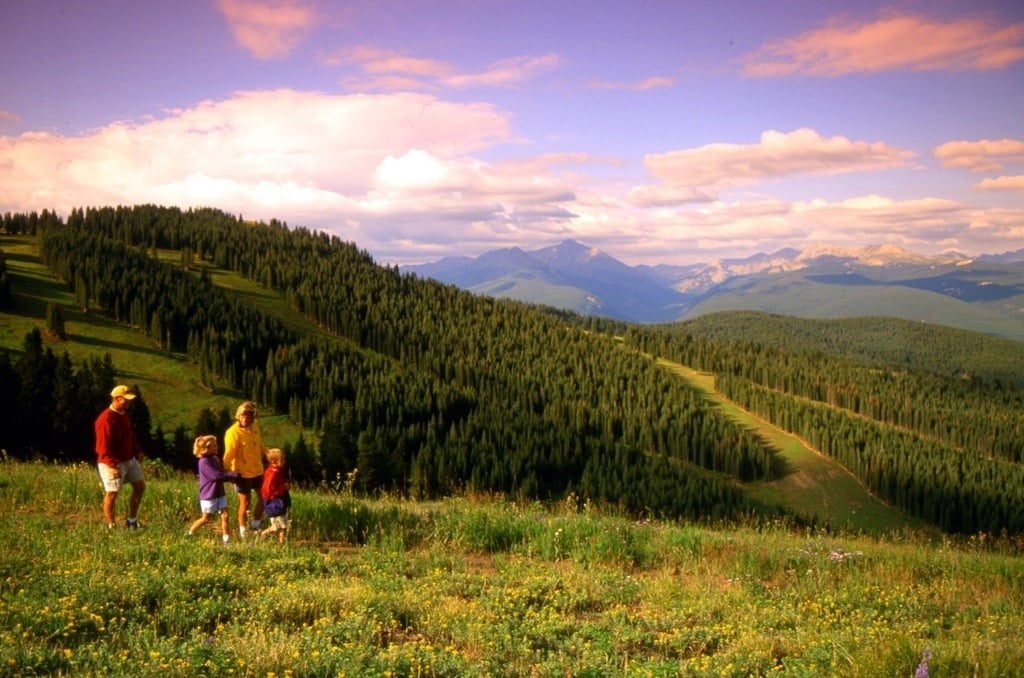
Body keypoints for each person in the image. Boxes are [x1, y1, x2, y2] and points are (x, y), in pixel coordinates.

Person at [94, 384, 146, 530]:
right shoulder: (106, 419)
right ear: (116, 398)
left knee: (140, 486)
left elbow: (130, 435)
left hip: (129, 459)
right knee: (112, 493)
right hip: (112, 462)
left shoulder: (124, 415)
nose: (129, 402)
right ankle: (112, 526)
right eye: (126, 399)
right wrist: (111, 466)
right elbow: (103, 446)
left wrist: (138, 451)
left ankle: (132, 521)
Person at [222, 401, 267, 539]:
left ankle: (255, 524)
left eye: (249, 416)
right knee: (245, 502)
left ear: (253, 417)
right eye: (243, 416)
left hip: (258, 470)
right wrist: (225, 472)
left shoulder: (254, 427)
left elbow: (259, 445)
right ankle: (243, 531)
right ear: (238, 416)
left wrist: (269, 454)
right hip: (242, 473)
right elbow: (229, 454)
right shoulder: (232, 432)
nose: (246, 419)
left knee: (264, 498)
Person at [187, 435, 239, 543]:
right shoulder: (203, 462)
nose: (217, 447)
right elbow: (216, 475)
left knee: (225, 515)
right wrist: (233, 476)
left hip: (219, 492)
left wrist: (229, 477)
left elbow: (221, 473)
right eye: (214, 446)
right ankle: (190, 533)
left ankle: (226, 539)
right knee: (206, 518)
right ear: (206, 448)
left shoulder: (215, 458)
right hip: (208, 494)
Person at [260, 447, 291, 543]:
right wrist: (283, 488)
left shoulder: (277, 471)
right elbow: (268, 490)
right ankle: (263, 534)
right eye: (282, 460)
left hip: (280, 501)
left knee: (283, 525)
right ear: (274, 461)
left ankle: (282, 544)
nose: (284, 462)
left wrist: (285, 482)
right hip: (274, 503)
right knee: (278, 526)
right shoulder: (272, 473)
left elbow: (280, 481)